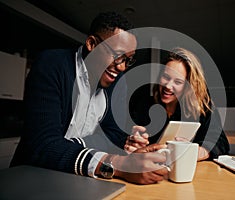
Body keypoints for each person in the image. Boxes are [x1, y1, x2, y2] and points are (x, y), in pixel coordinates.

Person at [10, 11, 168, 185]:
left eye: (128, 60)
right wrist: (118, 163)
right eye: (117, 56)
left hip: (78, 179)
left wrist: (125, 141)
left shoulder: (118, 83)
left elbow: (114, 135)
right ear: (92, 44)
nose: (122, 67)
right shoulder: (51, 65)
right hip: (31, 179)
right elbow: (43, 145)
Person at [125, 47, 230, 160]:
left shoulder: (202, 107)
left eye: (178, 82)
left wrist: (191, 152)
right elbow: (125, 141)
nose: (168, 86)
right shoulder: (144, 103)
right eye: (165, 77)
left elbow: (220, 144)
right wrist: (133, 145)